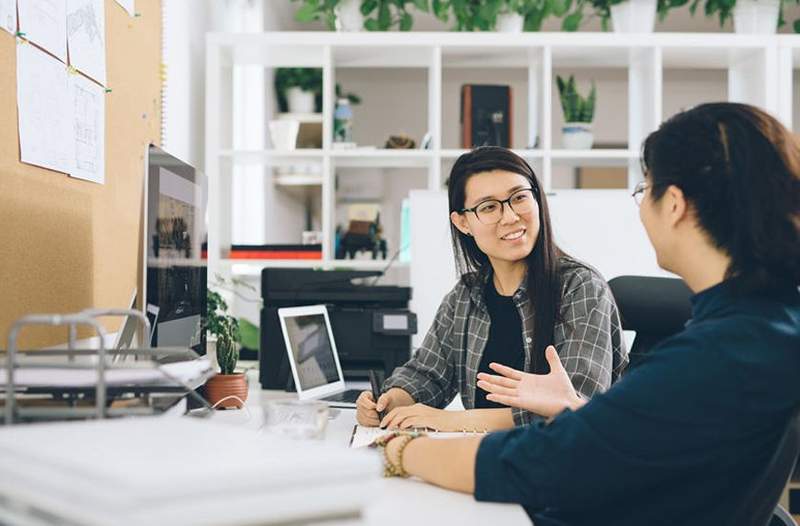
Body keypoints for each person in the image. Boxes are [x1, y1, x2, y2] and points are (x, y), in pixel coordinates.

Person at [372, 103, 800, 525]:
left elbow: (551, 464)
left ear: (673, 204)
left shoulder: (716, 354)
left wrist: (400, 451)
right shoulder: (767, 326)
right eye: (488, 207)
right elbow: (626, 441)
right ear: (463, 222)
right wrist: (572, 409)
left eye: (643, 189)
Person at [356, 146, 627, 432]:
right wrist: (391, 402)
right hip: (489, 456)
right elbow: (428, 375)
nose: (510, 216)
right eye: (488, 207)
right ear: (463, 223)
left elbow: (576, 406)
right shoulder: (466, 295)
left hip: (565, 460)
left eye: (519, 197)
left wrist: (449, 420)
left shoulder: (581, 288)